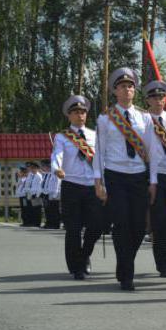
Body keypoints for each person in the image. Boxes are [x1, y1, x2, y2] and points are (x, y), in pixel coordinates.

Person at [93, 68, 156, 291]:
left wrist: (153, 181)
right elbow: (98, 152)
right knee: (121, 223)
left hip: (138, 176)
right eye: (122, 86)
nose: (127, 89)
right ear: (115, 91)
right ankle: (127, 273)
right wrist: (98, 182)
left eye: (130, 86)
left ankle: (124, 261)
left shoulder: (145, 117)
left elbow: (152, 151)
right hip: (114, 175)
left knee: (139, 226)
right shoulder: (105, 118)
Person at [51, 95, 103, 280]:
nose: (80, 115)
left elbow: (100, 159)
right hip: (72, 184)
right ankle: (76, 266)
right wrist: (57, 168)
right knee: (73, 229)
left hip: (91, 185)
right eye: (75, 112)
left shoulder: (95, 135)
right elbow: (57, 154)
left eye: (82, 112)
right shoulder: (62, 136)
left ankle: (84, 254)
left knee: (96, 225)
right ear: (69, 116)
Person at [144, 80, 166, 279]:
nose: (159, 101)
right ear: (148, 100)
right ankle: (163, 263)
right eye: (155, 97)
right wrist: (151, 180)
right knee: (159, 221)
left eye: (162, 97)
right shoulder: (145, 121)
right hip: (154, 176)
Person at [41, 159, 62, 229]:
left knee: (54, 210)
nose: (42, 168)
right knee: (48, 210)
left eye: (44, 166)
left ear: (48, 166)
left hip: (54, 194)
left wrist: (55, 195)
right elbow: (45, 184)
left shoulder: (54, 174)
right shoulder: (46, 175)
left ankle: (55, 224)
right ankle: (49, 223)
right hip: (47, 194)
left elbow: (57, 184)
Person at [26, 161, 43, 227]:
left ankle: (37, 223)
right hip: (31, 194)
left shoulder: (39, 176)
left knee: (37, 210)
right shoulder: (31, 175)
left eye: (33, 168)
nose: (32, 170)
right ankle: (32, 222)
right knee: (32, 209)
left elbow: (39, 186)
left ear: (37, 168)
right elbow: (29, 185)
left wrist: (37, 195)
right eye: (31, 168)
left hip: (37, 194)